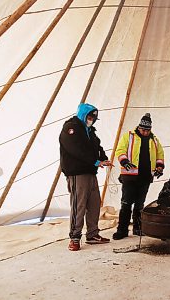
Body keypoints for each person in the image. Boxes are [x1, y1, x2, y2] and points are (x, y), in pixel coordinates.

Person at [59, 103, 112, 251]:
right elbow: (76, 150)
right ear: (83, 115)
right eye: (89, 117)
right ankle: (75, 238)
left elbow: (97, 147)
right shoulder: (71, 128)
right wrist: (95, 161)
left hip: (91, 172)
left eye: (94, 118)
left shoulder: (90, 131)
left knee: (94, 203)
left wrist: (103, 157)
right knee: (79, 205)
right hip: (77, 173)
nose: (92, 120)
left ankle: (92, 234)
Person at [112, 113, 165, 240]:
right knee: (126, 203)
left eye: (147, 130)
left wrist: (159, 167)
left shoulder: (154, 140)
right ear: (139, 127)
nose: (145, 132)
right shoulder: (129, 136)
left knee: (139, 204)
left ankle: (138, 228)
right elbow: (120, 150)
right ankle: (122, 230)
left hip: (145, 177)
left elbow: (160, 155)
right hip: (130, 177)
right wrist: (124, 161)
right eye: (143, 129)